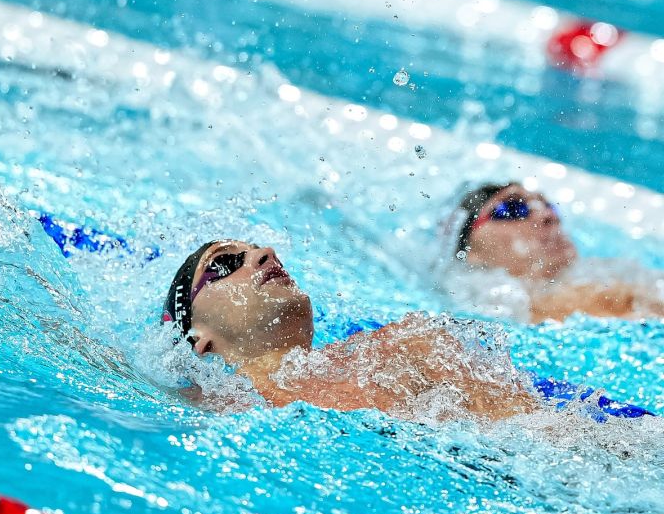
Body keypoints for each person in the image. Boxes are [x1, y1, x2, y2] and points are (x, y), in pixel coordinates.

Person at [162, 240, 652, 421]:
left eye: (256, 248)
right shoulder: (223, 406)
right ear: (200, 341)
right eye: (226, 264)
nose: (263, 253)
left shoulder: (399, 344)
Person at [445, 182, 664, 323]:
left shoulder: (613, 273)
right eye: (513, 209)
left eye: (548, 206)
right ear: (471, 250)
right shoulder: (485, 306)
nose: (548, 216)